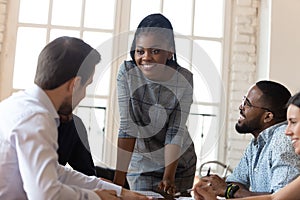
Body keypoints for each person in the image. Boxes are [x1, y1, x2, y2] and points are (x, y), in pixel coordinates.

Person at [0, 36, 151, 200]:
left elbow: (57, 172)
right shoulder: (36, 119)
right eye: (87, 85)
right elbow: (46, 195)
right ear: (75, 84)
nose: (84, 94)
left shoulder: (16, 104)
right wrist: (97, 197)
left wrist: (121, 192)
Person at [113, 13, 197, 195]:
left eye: (155, 51)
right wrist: (117, 184)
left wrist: (169, 177)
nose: (146, 57)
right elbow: (128, 127)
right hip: (142, 163)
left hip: (179, 164)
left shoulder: (184, 79)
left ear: (170, 51)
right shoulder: (127, 74)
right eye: (140, 51)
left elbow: (175, 130)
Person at [193, 80, 300, 199]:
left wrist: (229, 191)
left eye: (247, 103)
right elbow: (234, 182)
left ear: (268, 116)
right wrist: (225, 189)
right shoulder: (256, 143)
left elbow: (279, 197)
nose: (241, 107)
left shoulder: (281, 138)